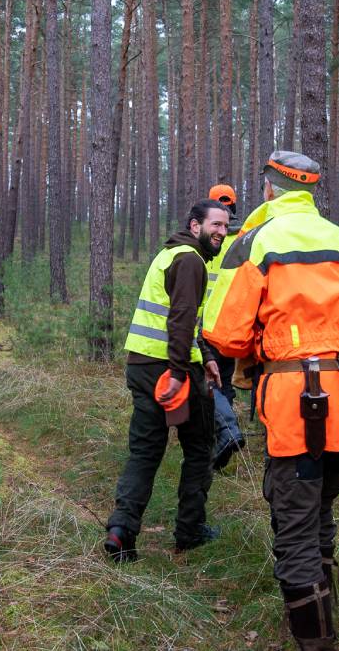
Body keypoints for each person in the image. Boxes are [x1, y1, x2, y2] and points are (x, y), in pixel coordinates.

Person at [202, 151, 339, 651]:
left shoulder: (255, 241)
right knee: (320, 510)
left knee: (295, 527)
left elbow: (224, 333)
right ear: (310, 190)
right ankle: (325, 616)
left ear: (268, 189)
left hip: (292, 408)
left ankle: (315, 641)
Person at [103, 199, 231, 562]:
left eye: (225, 226)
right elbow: (181, 319)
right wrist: (177, 372)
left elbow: (185, 321)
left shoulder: (170, 254)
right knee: (200, 449)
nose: (222, 232)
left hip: (143, 365)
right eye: (215, 224)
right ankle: (190, 531)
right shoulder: (190, 260)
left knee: (145, 451)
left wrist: (207, 357)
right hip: (173, 371)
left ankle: (120, 531)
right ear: (195, 226)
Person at [205, 182, 246, 471]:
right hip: (233, 326)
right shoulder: (244, 241)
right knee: (226, 380)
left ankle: (224, 432)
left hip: (206, 324)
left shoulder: (206, 240)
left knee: (207, 380)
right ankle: (224, 432)